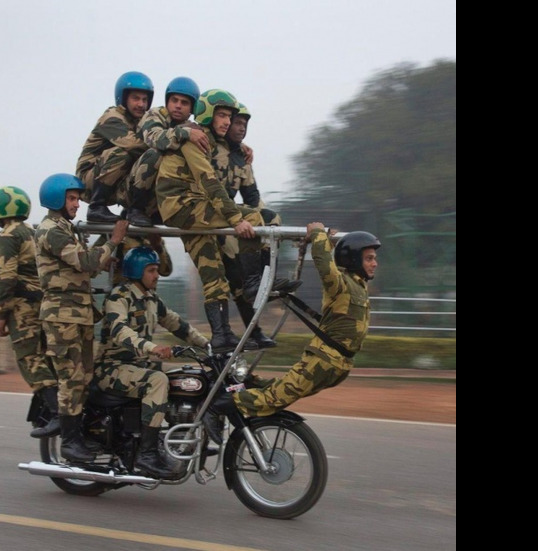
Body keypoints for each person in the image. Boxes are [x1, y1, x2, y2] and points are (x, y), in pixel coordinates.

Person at [154, 89, 299, 351]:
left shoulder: (225, 147)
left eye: (230, 118)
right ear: (208, 113)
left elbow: (247, 193)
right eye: (222, 115)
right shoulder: (195, 138)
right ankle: (258, 282)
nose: (228, 123)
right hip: (183, 208)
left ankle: (223, 336)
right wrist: (235, 219)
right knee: (254, 220)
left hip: (200, 212)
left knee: (217, 276)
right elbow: (208, 181)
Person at [214, 226, 381, 417]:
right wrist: (318, 232)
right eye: (369, 258)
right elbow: (324, 262)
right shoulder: (339, 284)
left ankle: (249, 386)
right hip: (323, 360)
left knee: (281, 393)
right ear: (353, 259)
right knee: (276, 398)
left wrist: (330, 241)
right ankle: (220, 405)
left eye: (374, 258)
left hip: (339, 364)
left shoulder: (359, 285)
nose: (374, 263)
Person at [35, 173, 129, 461]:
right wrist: (113, 240)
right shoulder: (52, 230)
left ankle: (81, 436)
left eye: (77, 198)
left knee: (84, 376)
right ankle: (69, 442)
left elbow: (84, 265)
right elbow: (86, 262)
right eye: (72, 199)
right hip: (63, 316)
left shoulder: (66, 228)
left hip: (79, 314)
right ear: (56, 200)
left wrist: (106, 254)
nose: (77, 205)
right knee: (71, 379)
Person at [95, 246, 211, 478]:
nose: (157, 275)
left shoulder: (151, 300)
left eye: (156, 270)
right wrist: (152, 348)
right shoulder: (119, 297)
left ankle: (168, 437)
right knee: (157, 380)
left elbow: (178, 325)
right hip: (111, 368)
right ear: (138, 272)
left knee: (183, 378)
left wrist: (208, 345)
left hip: (137, 367)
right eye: (151, 270)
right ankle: (147, 455)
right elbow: (120, 330)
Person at [215, 102, 298, 349]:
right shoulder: (208, 147)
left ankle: (265, 279)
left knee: (272, 219)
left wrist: (268, 226)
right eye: (235, 122)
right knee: (233, 282)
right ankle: (249, 321)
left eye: (243, 124)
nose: (239, 128)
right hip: (212, 217)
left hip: (234, 220)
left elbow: (252, 198)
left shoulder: (242, 157)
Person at [0, 185, 65, 437]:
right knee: (47, 356)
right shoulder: (33, 231)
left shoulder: (9, 235)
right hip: (44, 304)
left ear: (1, 208)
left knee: (30, 359)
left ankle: (58, 413)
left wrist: (2, 316)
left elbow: (7, 278)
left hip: (22, 309)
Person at [124, 76, 207, 227]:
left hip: (163, 194)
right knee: (156, 154)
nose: (178, 106)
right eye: (174, 100)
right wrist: (185, 133)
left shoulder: (191, 126)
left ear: (192, 108)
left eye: (184, 103)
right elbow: (155, 138)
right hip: (134, 184)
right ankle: (136, 209)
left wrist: (238, 147)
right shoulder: (155, 115)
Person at [75, 71, 153, 223]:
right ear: (124, 98)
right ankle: (96, 207)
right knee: (122, 153)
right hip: (89, 180)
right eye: (135, 98)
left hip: (115, 179)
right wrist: (165, 143)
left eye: (144, 100)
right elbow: (134, 145)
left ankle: (135, 210)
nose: (141, 104)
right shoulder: (112, 117)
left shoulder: (140, 121)